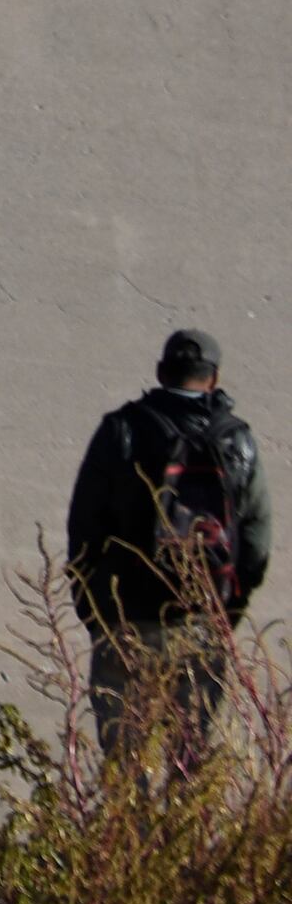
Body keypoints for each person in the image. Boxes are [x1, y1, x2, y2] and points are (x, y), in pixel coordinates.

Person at [67, 328, 266, 765]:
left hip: (125, 622)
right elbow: (255, 541)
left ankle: (128, 834)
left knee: (125, 764)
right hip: (199, 624)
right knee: (188, 763)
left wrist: (95, 614)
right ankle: (179, 834)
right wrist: (226, 612)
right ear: (214, 379)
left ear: (160, 373)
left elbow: (84, 529)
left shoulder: (120, 429)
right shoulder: (238, 441)